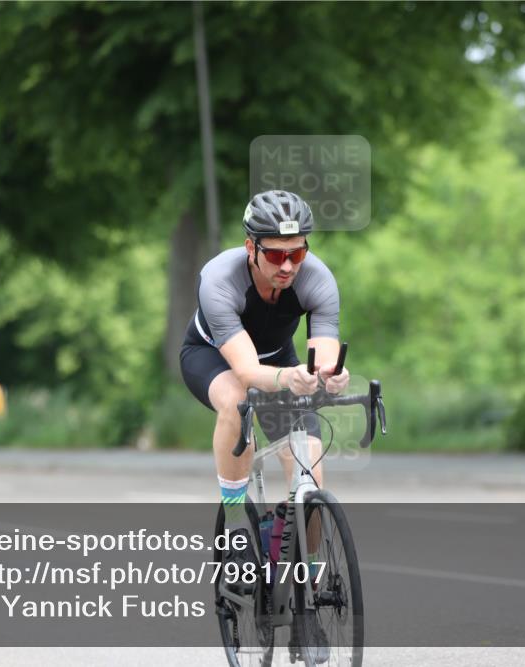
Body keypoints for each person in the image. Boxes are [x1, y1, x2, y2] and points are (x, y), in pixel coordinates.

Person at [179, 189, 348, 662]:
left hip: (281, 362)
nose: (288, 265)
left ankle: (307, 600)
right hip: (216, 360)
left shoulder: (317, 278)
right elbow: (249, 372)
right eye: (276, 253)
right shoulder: (218, 279)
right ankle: (236, 526)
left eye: (297, 252)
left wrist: (329, 376)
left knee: (310, 476)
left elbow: (322, 354)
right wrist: (290, 380)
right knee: (236, 401)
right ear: (251, 247)